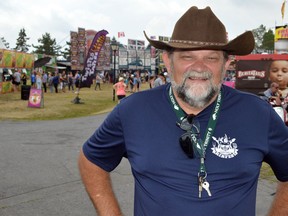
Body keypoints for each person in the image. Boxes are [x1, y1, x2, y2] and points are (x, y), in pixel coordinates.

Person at [78, 6, 288, 216]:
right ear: (168, 61)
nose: (199, 67)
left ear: (226, 64)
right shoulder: (132, 110)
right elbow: (91, 161)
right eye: (187, 57)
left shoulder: (258, 113)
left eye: (211, 58)